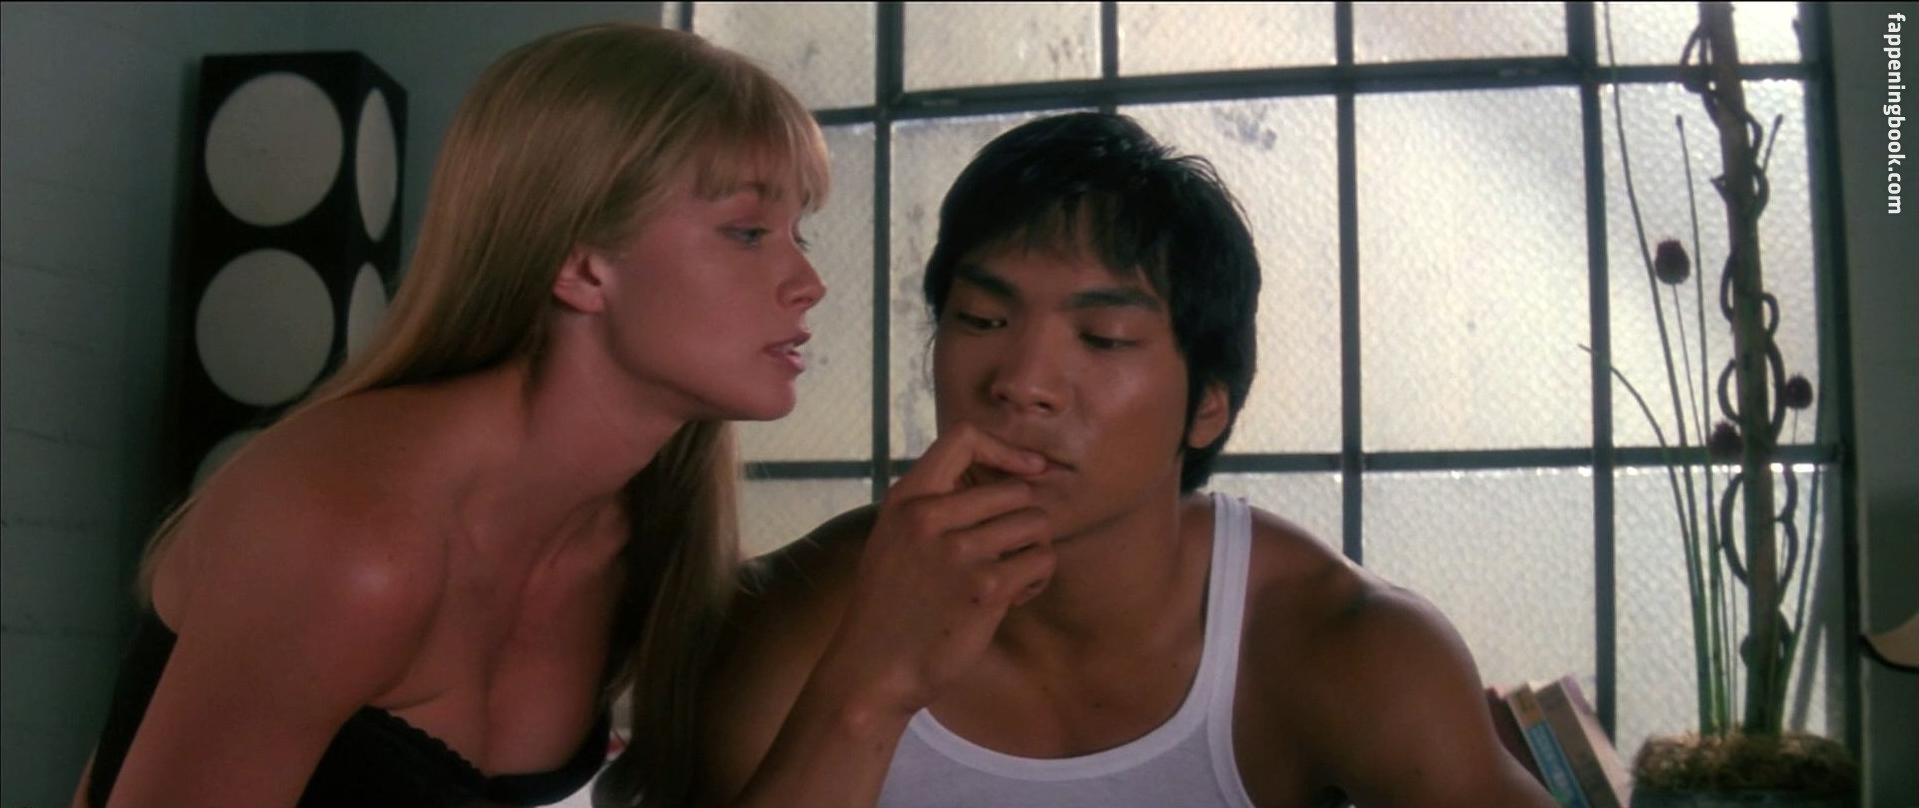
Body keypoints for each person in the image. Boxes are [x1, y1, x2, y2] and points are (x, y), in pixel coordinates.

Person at [76, 23, 1057, 808]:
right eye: (746, 231)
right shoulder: (356, 540)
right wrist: (872, 680)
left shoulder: (632, 542)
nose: (806, 281)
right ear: (582, 264)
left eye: (796, 232)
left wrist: (878, 666)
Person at [698, 112, 1558, 808]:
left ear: (1208, 404)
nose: (1021, 383)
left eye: (1103, 337)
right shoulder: (801, 615)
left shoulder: (1333, 640)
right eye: (982, 321)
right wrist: (869, 685)